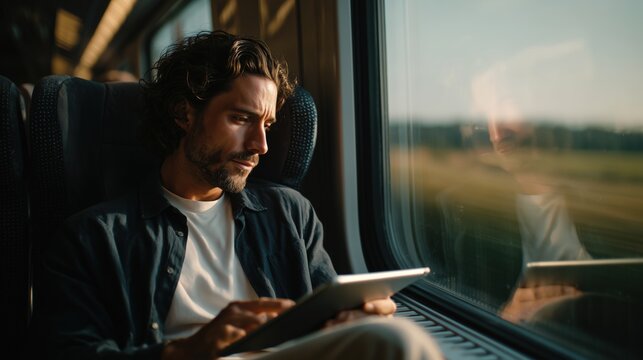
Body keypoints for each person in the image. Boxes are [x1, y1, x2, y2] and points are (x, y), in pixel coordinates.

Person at [29, 30, 442, 359]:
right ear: (184, 113)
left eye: (267, 125)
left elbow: (327, 308)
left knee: (390, 335)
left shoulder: (289, 214)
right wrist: (187, 351)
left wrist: (360, 315)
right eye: (241, 119)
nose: (261, 146)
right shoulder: (95, 237)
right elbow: (71, 351)